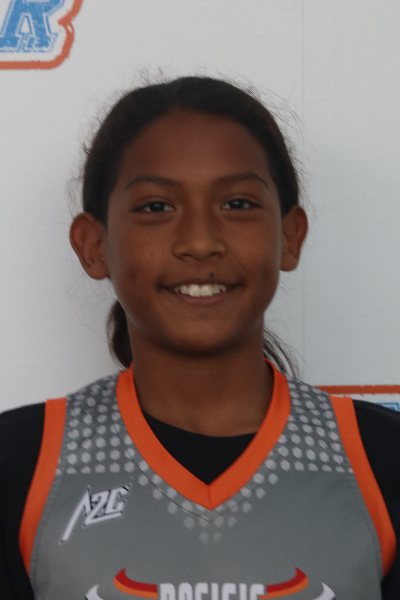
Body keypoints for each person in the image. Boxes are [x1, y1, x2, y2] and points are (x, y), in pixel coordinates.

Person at [0, 76, 399, 600]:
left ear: (290, 236)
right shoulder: (20, 464)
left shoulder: (381, 459)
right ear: (93, 244)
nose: (200, 241)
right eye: (156, 207)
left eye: (237, 204)